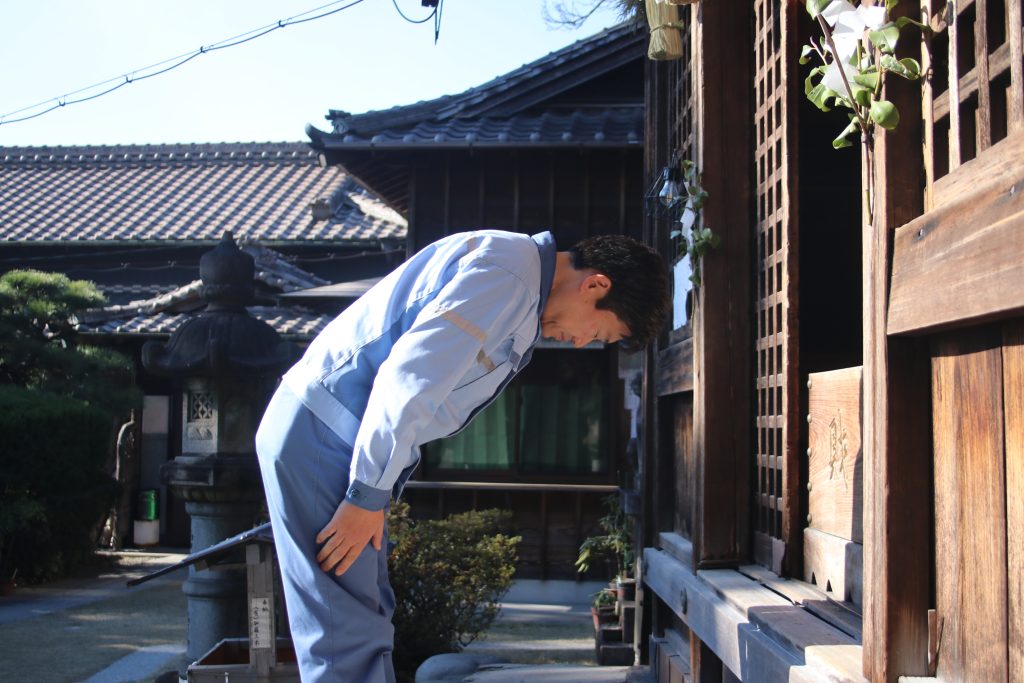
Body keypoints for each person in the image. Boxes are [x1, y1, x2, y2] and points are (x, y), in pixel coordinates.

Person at [255, 229, 669, 682]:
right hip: (327, 432)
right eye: (599, 332)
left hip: (331, 432)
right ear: (596, 285)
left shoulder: (515, 279)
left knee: (361, 612)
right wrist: (365, 495)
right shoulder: (507, 274)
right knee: (346, 625)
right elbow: (410, 379)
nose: (580, 342)